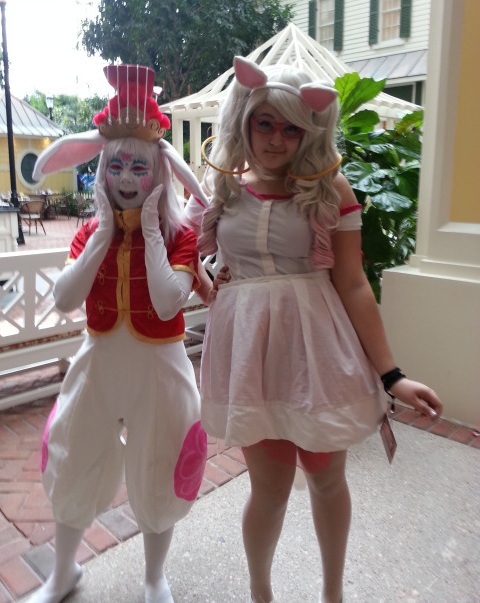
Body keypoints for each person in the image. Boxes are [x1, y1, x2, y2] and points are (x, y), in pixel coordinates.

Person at [184, 56, 443, 603]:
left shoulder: (331, 188)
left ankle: (332, 595)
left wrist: (392, 375)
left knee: (326, 480)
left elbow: (353, 283)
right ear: (245, 120)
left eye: (292, 128)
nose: (276, 139)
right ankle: (261, 594)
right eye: (265, 124)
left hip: (316, 356)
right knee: (270, 491)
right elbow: (186, 251)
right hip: (250, 359)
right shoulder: (223, 187)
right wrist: (206, 284)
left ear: (310, 131)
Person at [29, 64, 214, 603]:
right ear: (102, 171)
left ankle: (154, 577)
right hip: (99, 362)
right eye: (116, 165)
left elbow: (167, 300)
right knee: (72, 453)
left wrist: (151, 232)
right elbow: (65, 299)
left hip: (160, 368)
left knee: (161, 462)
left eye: (139, 166)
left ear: (161, 172)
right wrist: (102, 236)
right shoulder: (90, 231)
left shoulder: (179, 237)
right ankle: (63, 573)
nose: (127, 178)